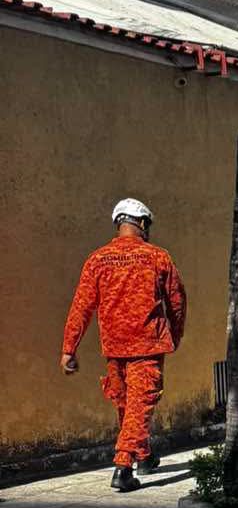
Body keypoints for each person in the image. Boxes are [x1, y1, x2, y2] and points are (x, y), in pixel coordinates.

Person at [61, 199, 187, 492]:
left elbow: (81, 306)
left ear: (119, 223)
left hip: (114, 348)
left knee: (127, 405)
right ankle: (122, 467)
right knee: (138, 406)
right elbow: (177, 302)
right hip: (147, 346)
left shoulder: (97, 259)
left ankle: (143, 455)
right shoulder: (158, 257)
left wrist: (69, 348)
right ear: (142, 224)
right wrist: (175, 335)